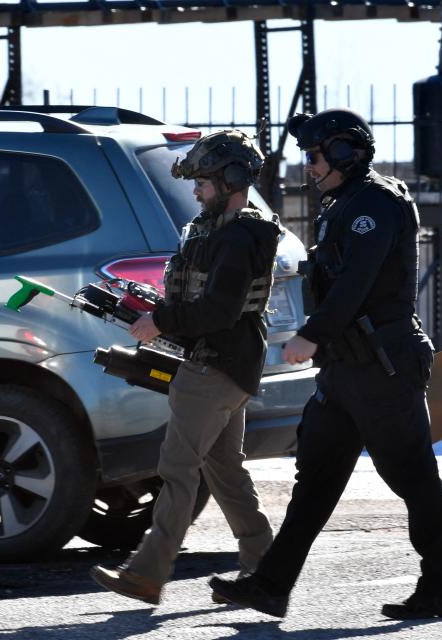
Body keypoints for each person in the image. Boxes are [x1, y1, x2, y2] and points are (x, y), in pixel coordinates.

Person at [210, 108, 442, 620]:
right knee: (316, 479)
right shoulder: (340, 203)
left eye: (315, 154)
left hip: (383, 367)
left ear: (347, 152)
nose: (308, 165)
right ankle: (271, 585)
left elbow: (358, 281)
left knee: (412, 476)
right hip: (345, 370)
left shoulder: (377, 203)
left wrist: (311, 335)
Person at [90, 129, 281, 605]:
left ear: (231, 179)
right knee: (224, 472)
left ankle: (147, 573)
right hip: (229, 364)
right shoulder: (226, 230)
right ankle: (267, 568)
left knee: (177, 469)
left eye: (204, 183)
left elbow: (217, 311)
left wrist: (159, 321)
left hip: (215, 367)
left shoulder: (238, 237)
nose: (195, 191)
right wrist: (152, 312)